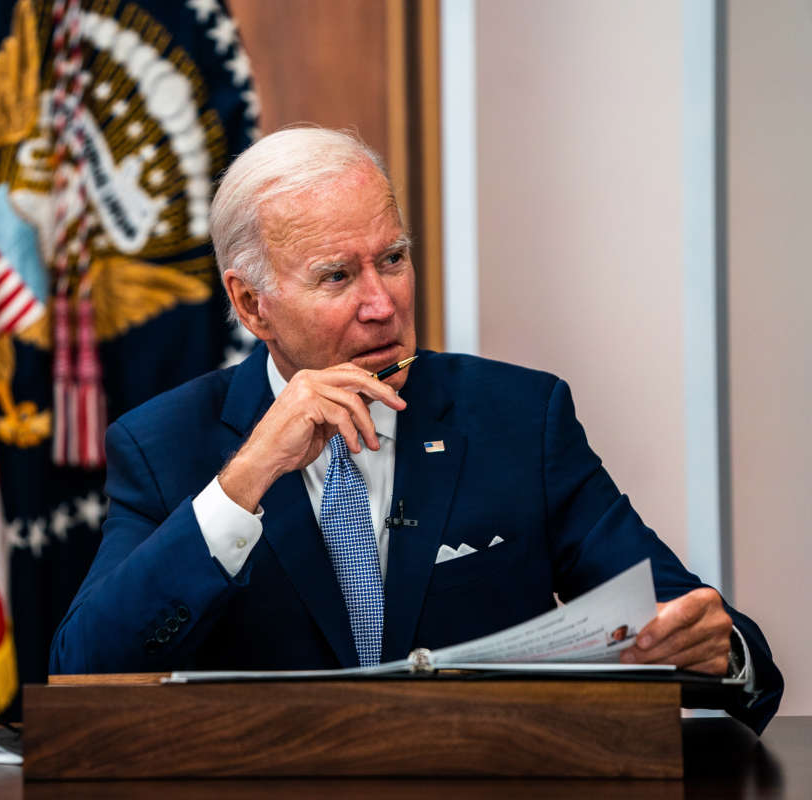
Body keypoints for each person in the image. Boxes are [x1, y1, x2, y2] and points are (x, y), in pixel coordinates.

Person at [49, 127, 782, 733]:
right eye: (337, 276)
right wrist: (243, 483)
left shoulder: (519, 420)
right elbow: (84, 674)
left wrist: (724, 649)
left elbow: (692, 623)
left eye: (393, 260)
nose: (381, 304)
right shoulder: (163, 444)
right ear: (252, 306)